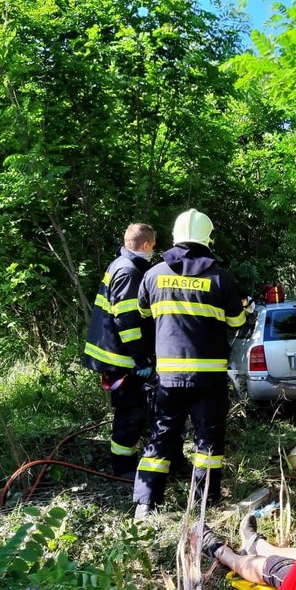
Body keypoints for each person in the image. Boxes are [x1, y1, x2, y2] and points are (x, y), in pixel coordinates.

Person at [132, 209, 246, 518]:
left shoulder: (152, 275)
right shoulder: (220, 278)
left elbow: (143, 313)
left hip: (168, 376)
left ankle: (145, 504)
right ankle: (203, 503)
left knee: (162, 434)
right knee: (208, 440)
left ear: (175, 237)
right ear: (207, 239)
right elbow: (237, 322)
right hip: (209, 378)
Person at [82, 223, 156, 478]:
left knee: (131, 412)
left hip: (116, 356)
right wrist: (141, 359)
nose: (153, 252)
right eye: (153, 246)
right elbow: (127, 321)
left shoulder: (119, 264)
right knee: (131, 413)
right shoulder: (129, 272)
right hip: (121, 359)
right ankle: (123, 469)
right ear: (145, 245)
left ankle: (126, 464)